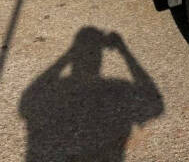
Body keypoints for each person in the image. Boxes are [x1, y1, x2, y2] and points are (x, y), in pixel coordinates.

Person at [19, 27, 163, 162]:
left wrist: (70, 53)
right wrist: (124, 51)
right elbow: (154, 103)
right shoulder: (117, 88)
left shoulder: (58, 88)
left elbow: (32, 96)